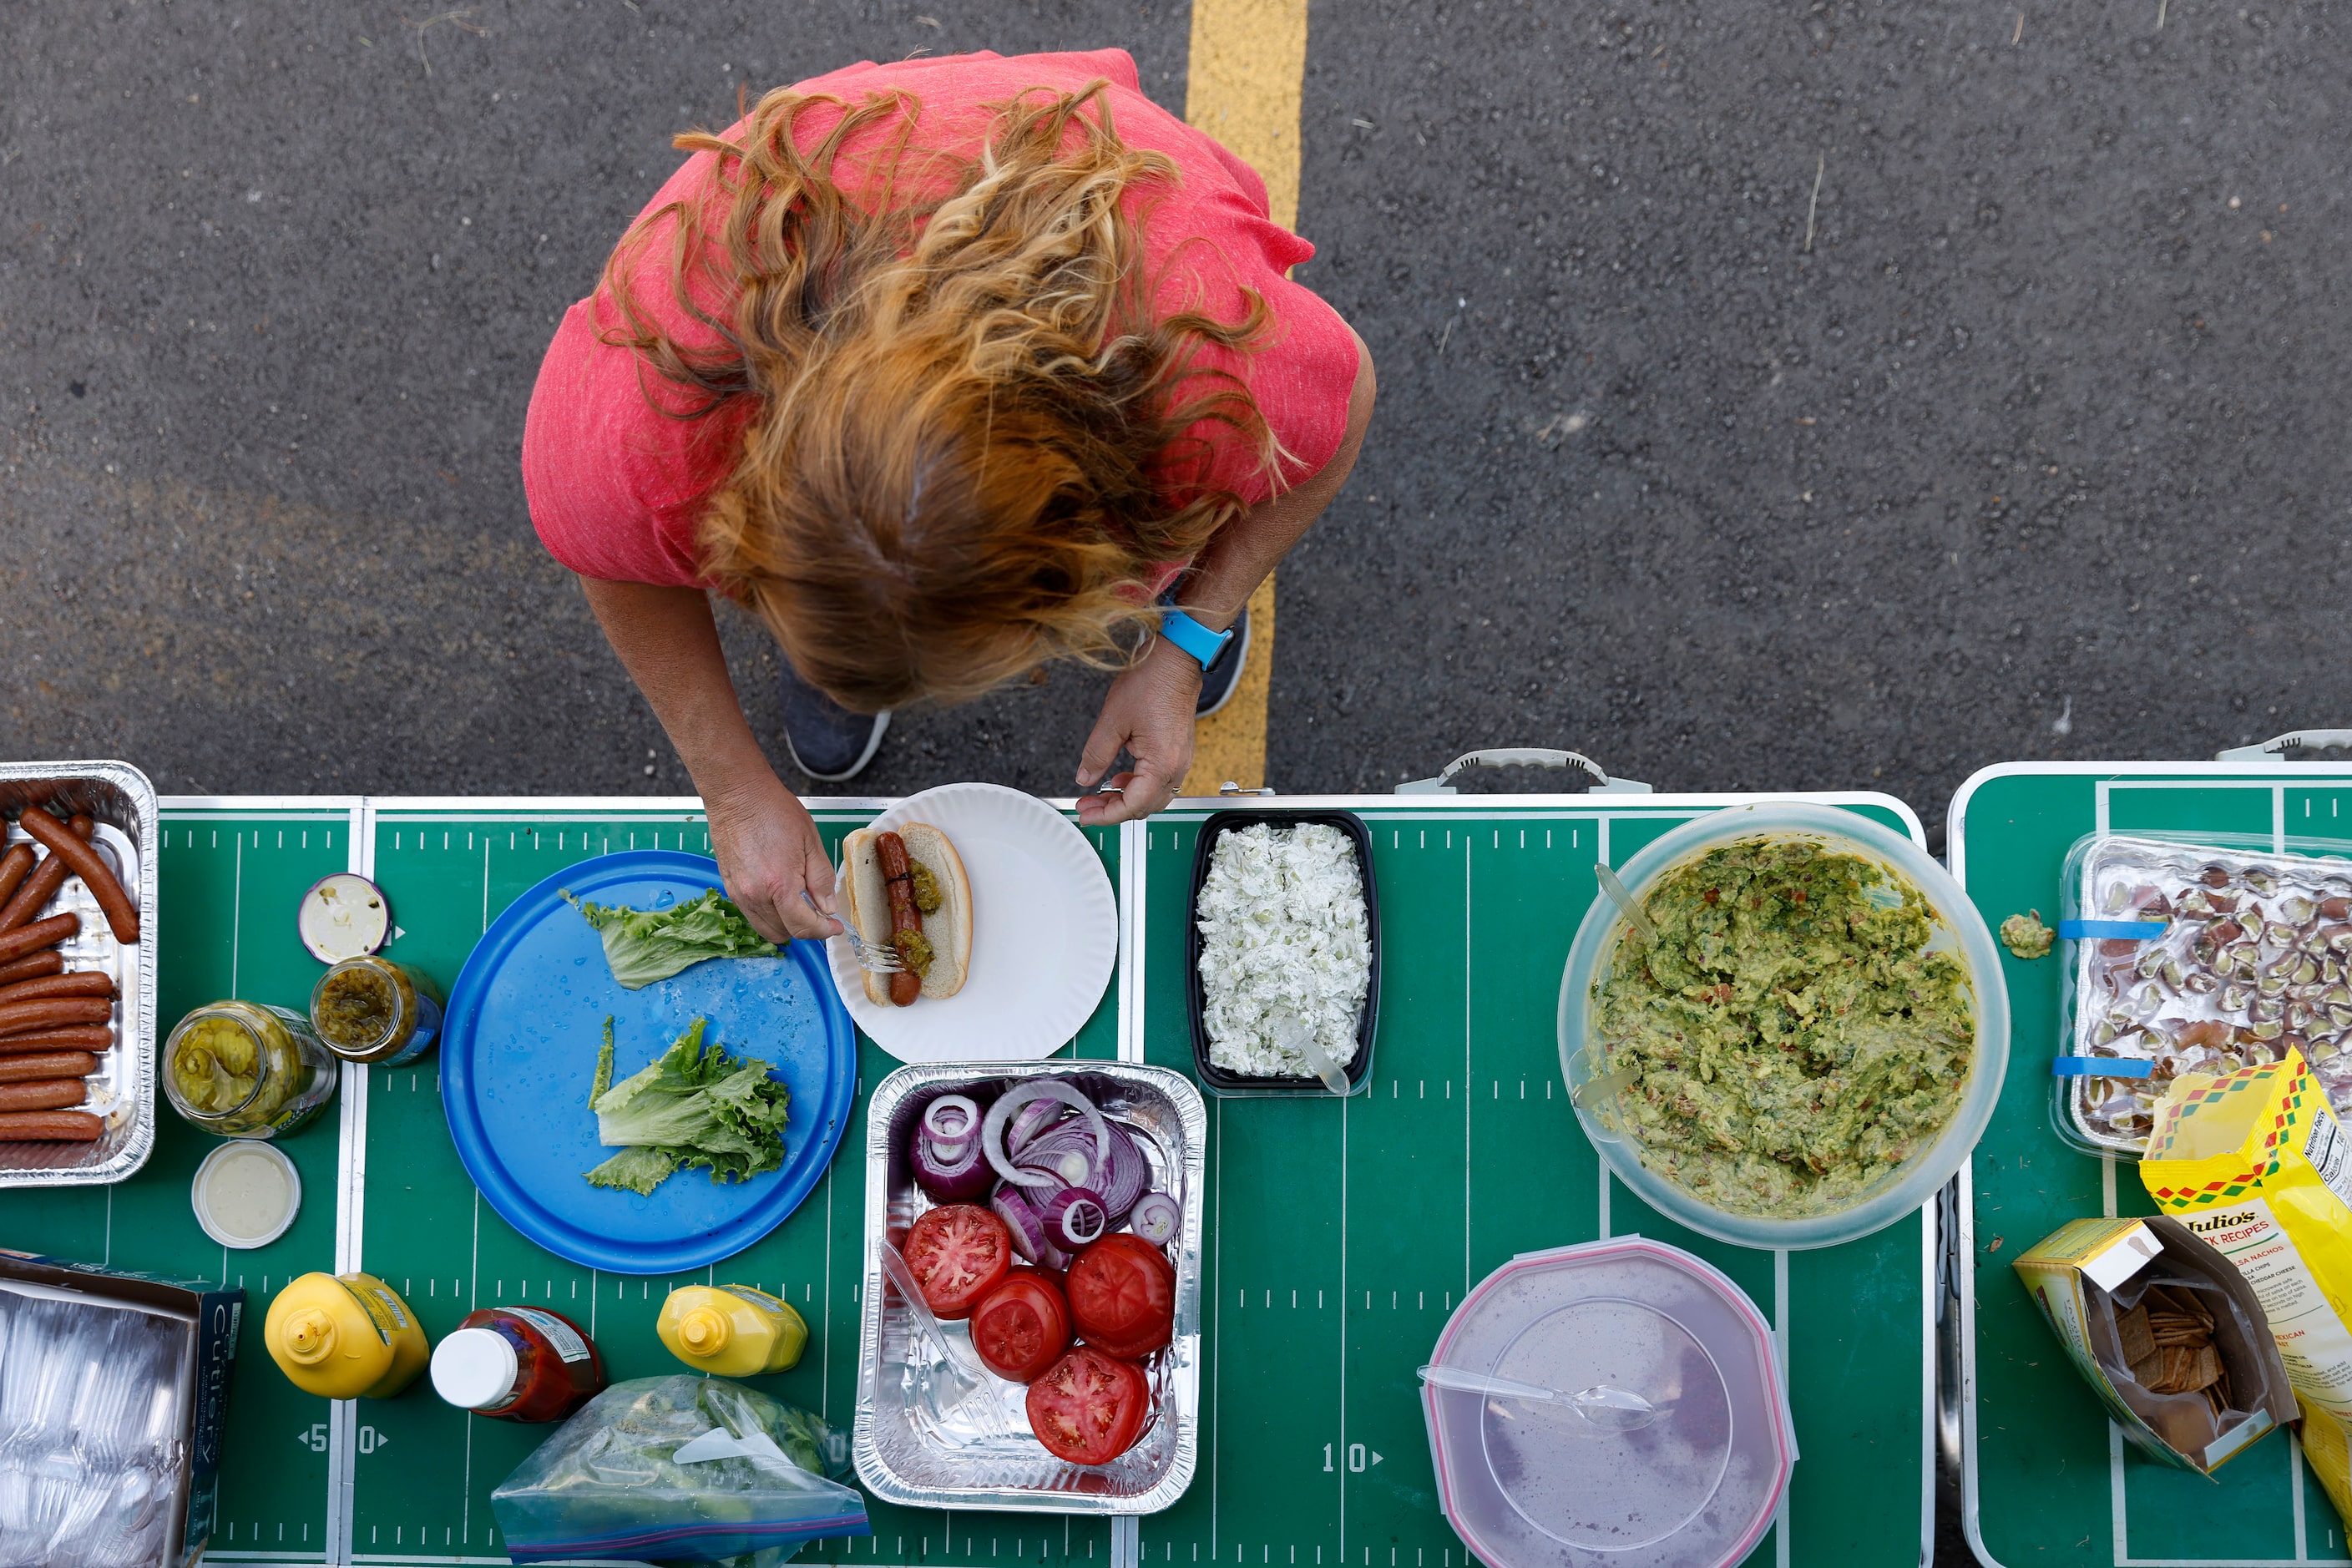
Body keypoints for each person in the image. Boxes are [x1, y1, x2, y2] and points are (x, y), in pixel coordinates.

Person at [522, 48, 1374, 943]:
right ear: (743, 511)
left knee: (1200, 539)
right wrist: (731, 787)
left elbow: (1342, 410)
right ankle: (856, 648)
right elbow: (611, 560)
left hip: (1088, 177)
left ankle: (1155, 599)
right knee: (870, 631)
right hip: (851, 180)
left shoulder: (1212, 359)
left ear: (1079, 547)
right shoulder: (637, 417)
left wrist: (1187, 635)